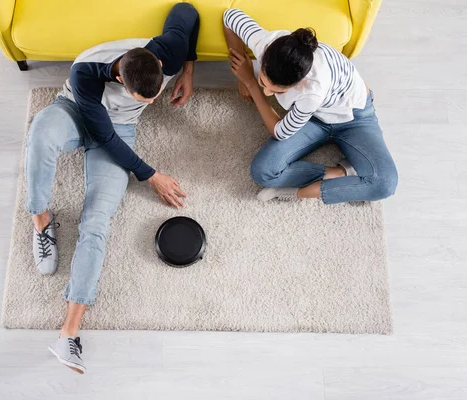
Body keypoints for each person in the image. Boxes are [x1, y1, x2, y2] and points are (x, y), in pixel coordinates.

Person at [25, 3, 199, 373]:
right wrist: (151, 175)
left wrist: (188, 69)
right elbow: (103, 137)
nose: (154, 103)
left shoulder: (165, 51)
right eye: (146, 99)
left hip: (120, 127)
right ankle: (41, 219)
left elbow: (187, 10)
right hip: (74, 112)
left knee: (98, 218)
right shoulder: (86, 74)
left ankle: (68, 334)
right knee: (41, 131)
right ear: (122, 80)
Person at [223, 8, 398, 204]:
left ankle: (298, 193)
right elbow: (230, 17)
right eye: (264, 81)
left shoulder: (312, 90)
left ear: (301, 82)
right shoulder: (264, 43)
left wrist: (251, 84)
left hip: (354, 117)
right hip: (316, 118)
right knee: (263, 172)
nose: (267, 93)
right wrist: (239, 65)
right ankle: (341, 173)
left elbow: (279, 132)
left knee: (384, 183)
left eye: (278, 91)